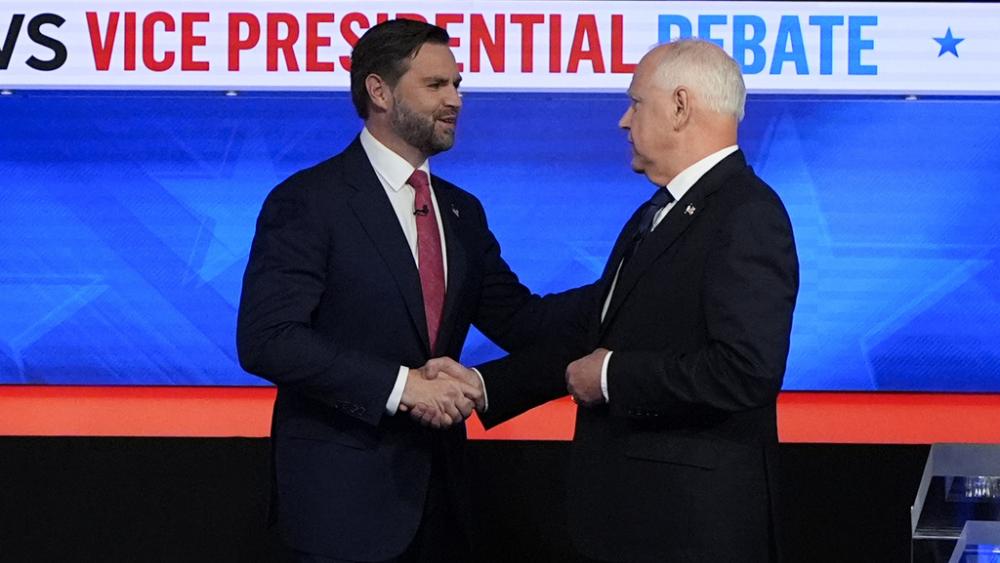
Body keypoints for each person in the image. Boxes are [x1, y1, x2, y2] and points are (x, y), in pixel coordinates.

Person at [420, 39, 799, 562]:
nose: (624, 121)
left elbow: (746, 371)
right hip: (642, 522)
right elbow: (593, 329)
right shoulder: (658, 213)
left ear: (681, 106)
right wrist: (487, 384)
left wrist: (609, 378)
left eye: (636, 102)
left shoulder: (746, 214)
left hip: (694, 530)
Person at [236, 19, 551, 563]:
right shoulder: (310, 200)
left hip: (445, 502)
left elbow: (520, 320)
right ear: (378, 90)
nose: (455, 99)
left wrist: (624, 290)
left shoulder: (462, 210)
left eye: (457, 84)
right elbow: (269, 338)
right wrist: (403, 387)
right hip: (342, 506)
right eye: (436, 86)